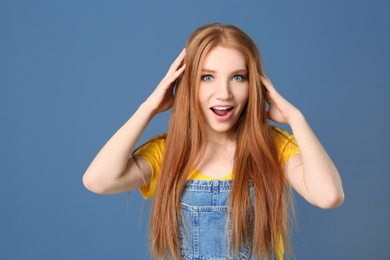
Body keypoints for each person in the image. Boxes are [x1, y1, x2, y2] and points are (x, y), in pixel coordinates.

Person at [83, 23, 344, 260]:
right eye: (207, 77)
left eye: (238, 77)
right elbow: (97, 180)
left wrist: (295, 118)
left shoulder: (272, 148)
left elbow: (329, 196)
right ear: (186, 85)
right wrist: (149, 107)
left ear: (255, 85)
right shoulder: (169, 152)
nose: (224, 93)